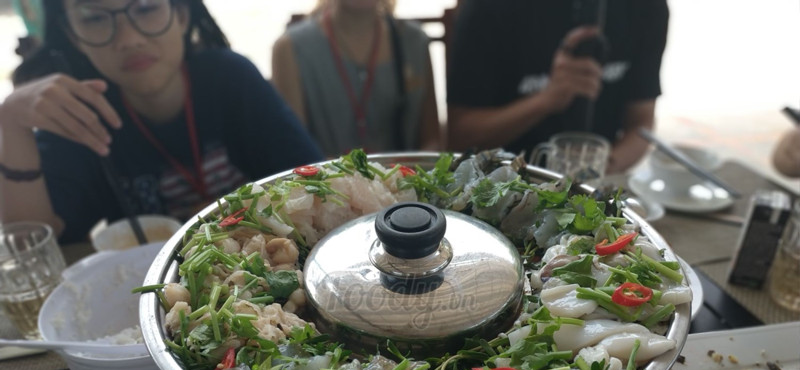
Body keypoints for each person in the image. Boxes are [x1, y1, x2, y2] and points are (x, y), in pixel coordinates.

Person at [0, 0, 323, 244]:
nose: (128, 39)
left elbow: (313, 184)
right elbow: (32, 241)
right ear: (74, 35)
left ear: (180, 15)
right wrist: (12, 123)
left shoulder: (231, 78)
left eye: (145, 8)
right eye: (95, 18)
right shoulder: (80, 114)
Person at [446, 0, 669, 174]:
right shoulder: (489, 7)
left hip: (596, 182)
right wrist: (547, 99)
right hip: (498, 178)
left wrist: (602, 167)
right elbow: (459, 136)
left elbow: (641, 124)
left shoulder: (648, 7)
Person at [271, 0, 441, 158]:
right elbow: (294, 151)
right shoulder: (289, 48)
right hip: (325, 178)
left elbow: (432, 141)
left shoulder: (415, 42)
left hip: (407, 177)